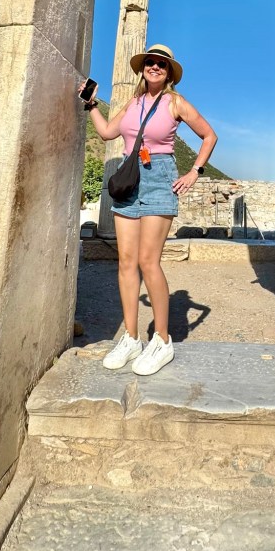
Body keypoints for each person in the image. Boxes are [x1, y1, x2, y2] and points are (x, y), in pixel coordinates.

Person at [80, 44, 217, 376]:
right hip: (129, 177)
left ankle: (163, 340)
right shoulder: (133, 103)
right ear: (143, 68)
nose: (154, 67)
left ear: (169, 72)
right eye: (150, 62)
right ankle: (131, 338)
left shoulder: (175, 102)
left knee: (148, 261)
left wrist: (194, 172)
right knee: (126, 261)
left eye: (161, 64)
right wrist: (91, 104)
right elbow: (107, 133)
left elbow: (209, 135)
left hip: (160, 178)